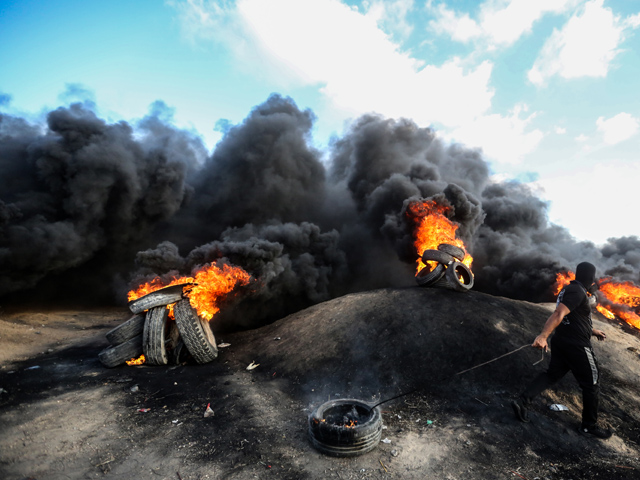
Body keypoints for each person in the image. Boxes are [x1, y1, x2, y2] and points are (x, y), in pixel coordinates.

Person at [511, 262, 612, 439]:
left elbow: (574, 316)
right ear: (590, 278)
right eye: (593, 279)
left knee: (552, 375)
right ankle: (589, 426)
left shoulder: (570, 290)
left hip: (563, 342)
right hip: (577, 346)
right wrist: (542, 336)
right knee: (592, 384)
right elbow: (558, 314)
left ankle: (522, 402)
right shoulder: (577, 292)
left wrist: (593, 331)